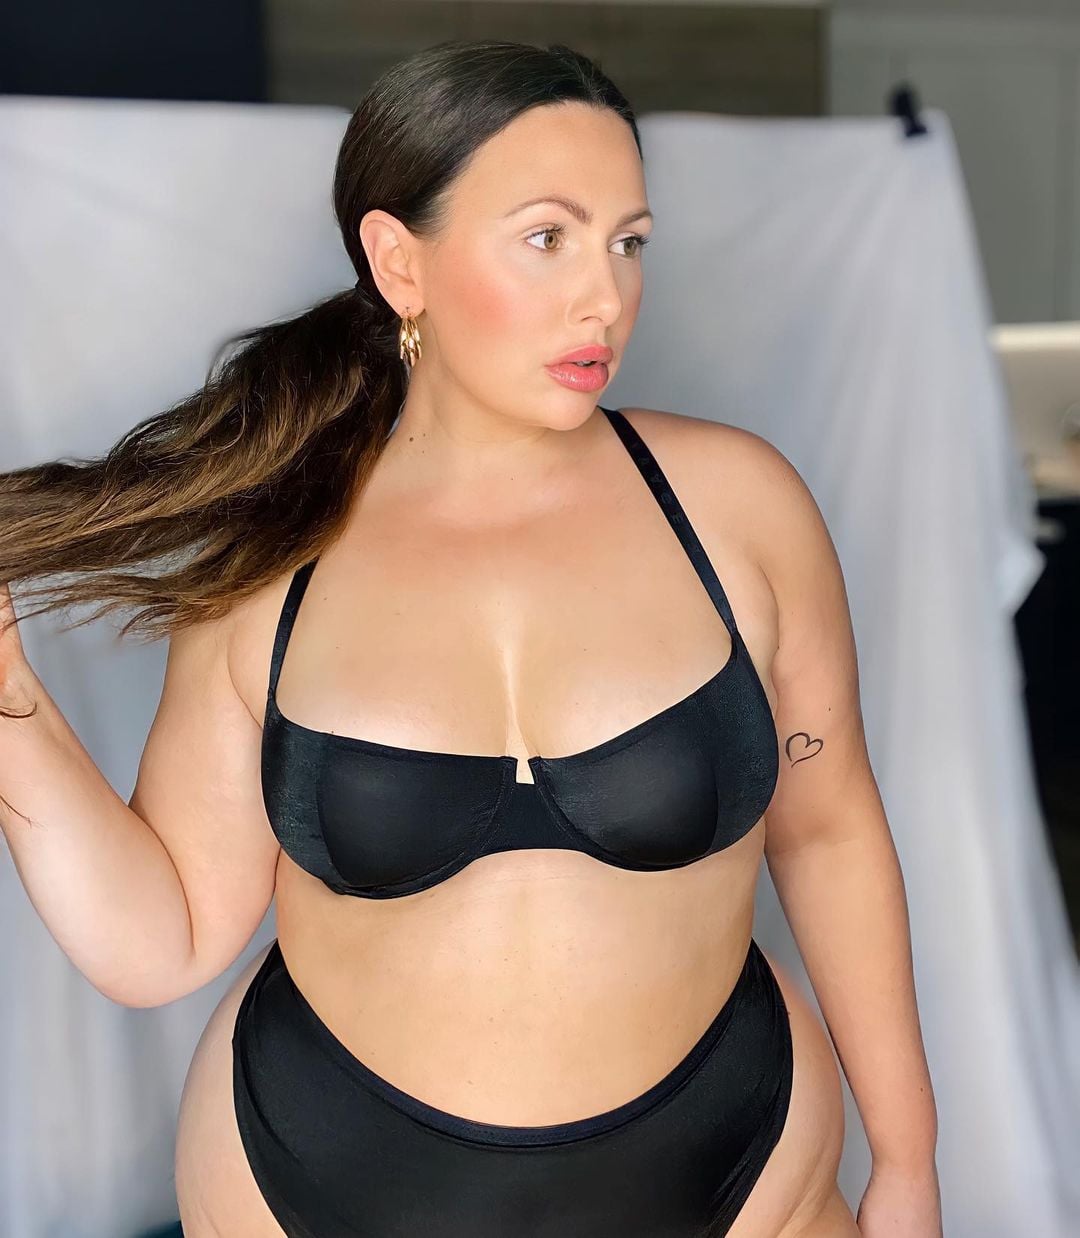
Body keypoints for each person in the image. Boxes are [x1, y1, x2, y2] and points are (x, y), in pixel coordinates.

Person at [0, 39, 942, 1238]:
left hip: (739, 1161)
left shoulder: (740, 507)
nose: (604, 296)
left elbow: (829, 826)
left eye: (628, 242)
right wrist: (8, 704)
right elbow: (168, 932)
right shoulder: (278, 556)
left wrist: (907, 1158)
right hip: (318, 1177)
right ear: (402, 261)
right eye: (548, 237)